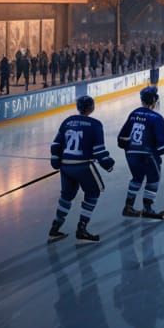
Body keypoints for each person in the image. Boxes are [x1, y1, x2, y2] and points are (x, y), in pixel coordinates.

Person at [47, 95, 116, 243]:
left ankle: (55, 228)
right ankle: (82, 229)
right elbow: (99, 152)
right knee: (93, 193)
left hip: (66, 167)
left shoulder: (67, 121)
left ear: (78, 107)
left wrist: (55, 160)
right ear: (91, 108)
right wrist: (108, 163)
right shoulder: (95, 124)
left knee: (66, 196)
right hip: (83, 166)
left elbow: (55, 145)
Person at [117, 85, 164, 219]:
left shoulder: (134, 113)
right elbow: (161, 145)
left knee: (137, 179)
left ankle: (128, 207)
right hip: (148, 155)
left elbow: (121, 138)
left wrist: (130, 149)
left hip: (131, 154)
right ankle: (148, 208)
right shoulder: (157, 117)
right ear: (154, 100)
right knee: (153, 180)